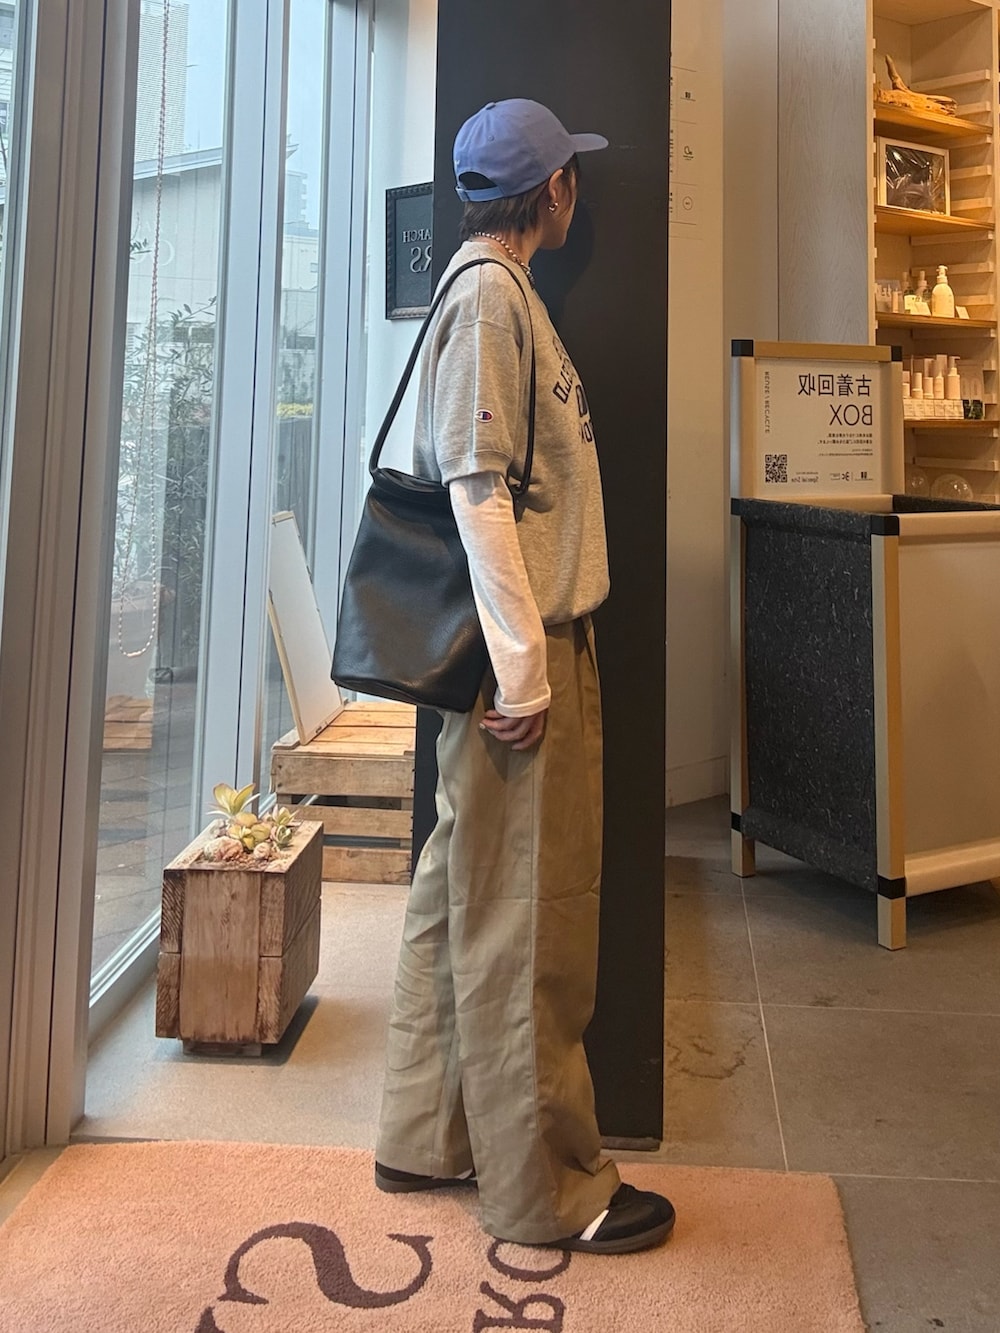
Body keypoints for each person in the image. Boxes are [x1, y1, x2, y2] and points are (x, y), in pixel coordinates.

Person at [374, 98, 675, 1255]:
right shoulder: (492, 297)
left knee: (464, 897)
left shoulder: (493, 291)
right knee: (528, 926)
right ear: (552, 191)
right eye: (570, 178)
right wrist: (522, 672)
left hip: (508, 652)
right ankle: (551, 1190)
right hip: (521, 658)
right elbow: (477, 489)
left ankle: (427, 1131)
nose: (574, 193)